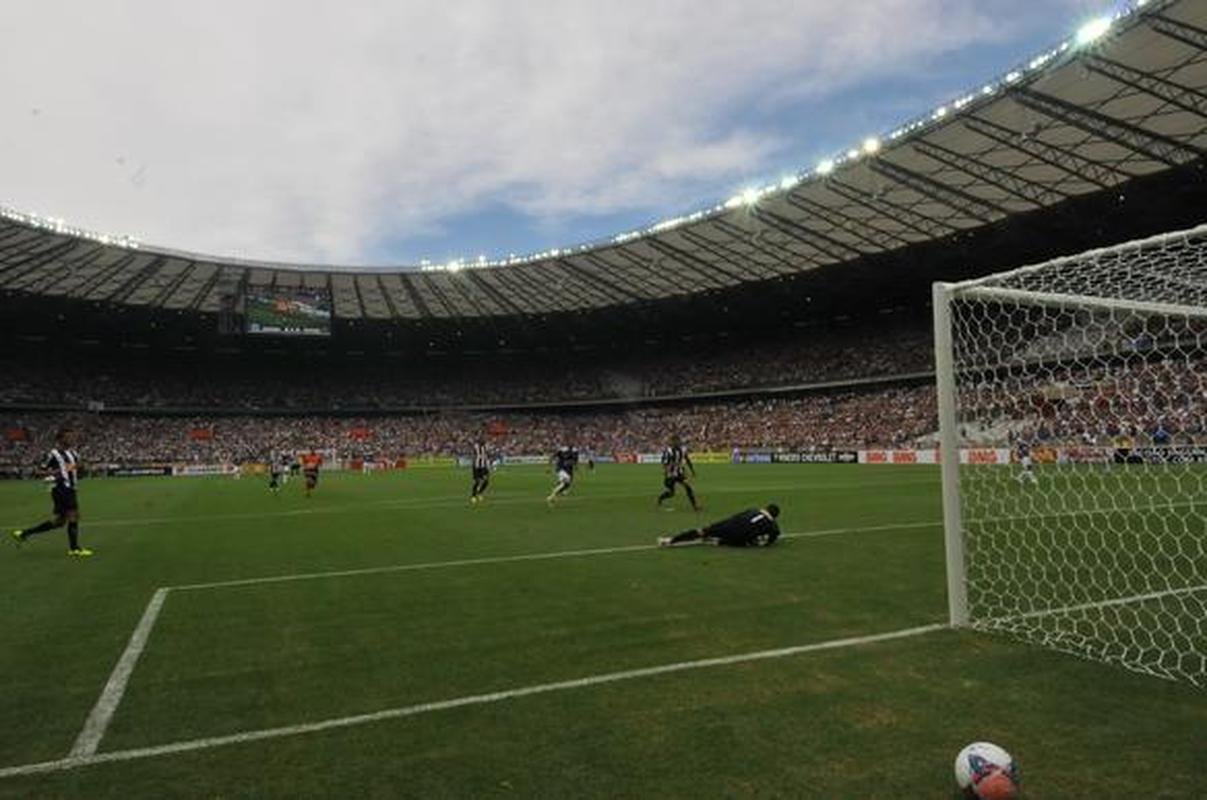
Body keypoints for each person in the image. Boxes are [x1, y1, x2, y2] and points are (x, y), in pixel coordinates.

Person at [10, 429, 92, 557]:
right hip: (61, 488)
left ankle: (24, 533)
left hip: (71, 488)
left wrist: (81, 468)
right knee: (73, 515)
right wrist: (53, 472)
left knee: (59, 522)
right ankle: (74, 549)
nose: (71, 439)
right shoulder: (53, 454)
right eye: (68, 437)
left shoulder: (74, 453)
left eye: (72, 437)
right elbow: (38, 471)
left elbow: (78, 471)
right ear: (60, 439)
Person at [658, 504, 780, 548]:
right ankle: (719, 541)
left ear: (765, 508)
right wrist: (762, 542)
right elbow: (773, 537)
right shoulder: (772, 525)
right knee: (747, 541)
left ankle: (671, 540)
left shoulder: (753, 510)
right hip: (739, 538)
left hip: (728, 524)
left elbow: (736, 516)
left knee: (703, 531)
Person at [657, 434, 699, 511]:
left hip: (680, 473)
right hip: (670, 475)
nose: (676, 443)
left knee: (688, 488)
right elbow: (664, 462)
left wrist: (692, 471)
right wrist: (667, 472)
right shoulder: (668, 451)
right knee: (671, 493)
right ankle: (660, 498)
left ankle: (695, 506)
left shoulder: (682, 450)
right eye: (674, 441)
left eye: (677, 441)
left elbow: (688, 460)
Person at [470, 438, 492, 504]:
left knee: (486, 481)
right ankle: (473, 495)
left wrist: (488, 463)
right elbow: (472, 454)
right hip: (476, 466)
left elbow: (488, 455)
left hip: (484, 466)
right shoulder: (475, 446)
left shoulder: (486, 446)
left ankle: (480, 493)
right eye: (481, 440)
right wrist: (473, 464)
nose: (482, 441)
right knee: (477, 481)